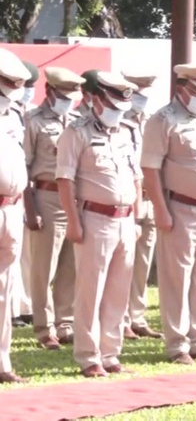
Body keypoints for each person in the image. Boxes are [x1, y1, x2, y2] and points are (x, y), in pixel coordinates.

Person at [56, 72, 142, 377]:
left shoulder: (129, 131)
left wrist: (137, 216)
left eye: (123, 105)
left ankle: (110, 352)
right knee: (90, 290)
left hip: (124, 219)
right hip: (95, 218)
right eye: (114, 103)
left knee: (119, 290)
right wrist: (74, 222)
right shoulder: (76, 132)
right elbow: (64, 181)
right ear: (99, 99)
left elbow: (136, 177)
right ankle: (89, 355)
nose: (118, 110)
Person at [141, 63, 196, 365]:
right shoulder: (162, 120)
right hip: (181, 208)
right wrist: (160, 211)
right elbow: (150, 169)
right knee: (177, 279)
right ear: (182, 89)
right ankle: (177, 344)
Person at [24, 67, 84, 350]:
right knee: (43, 269)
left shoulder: (77, 120)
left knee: (70, 267)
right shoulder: (32, 121)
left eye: (72, 95)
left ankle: (66, 322)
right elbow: (24, 166)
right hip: (45, 197)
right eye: (63, 94)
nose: (68, 100)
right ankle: (44, 328)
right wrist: (30, 207)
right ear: (49, 92)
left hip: (72, 198)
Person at [121, 71, 164, 340]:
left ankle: (137, 316)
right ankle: (121, 318)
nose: (143, 98)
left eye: (146, 93)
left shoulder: (151, 121)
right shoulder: (119, 122)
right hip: (127, 200)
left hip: (149, 199)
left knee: (143, 264)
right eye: (138, 93)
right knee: (123, 262)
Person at [0, 47, 31, 384]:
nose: (12, 89)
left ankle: (2, 361)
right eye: (7, 83)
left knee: (5, 290)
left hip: (12, 207)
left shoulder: (14, 114)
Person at [11, 60, 39, 328]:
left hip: (20, 195)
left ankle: (24, 305)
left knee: (24, 253)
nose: (28, 91)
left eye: (31, 86)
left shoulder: (26, 114)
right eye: (23, 85)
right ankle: (10, 311)